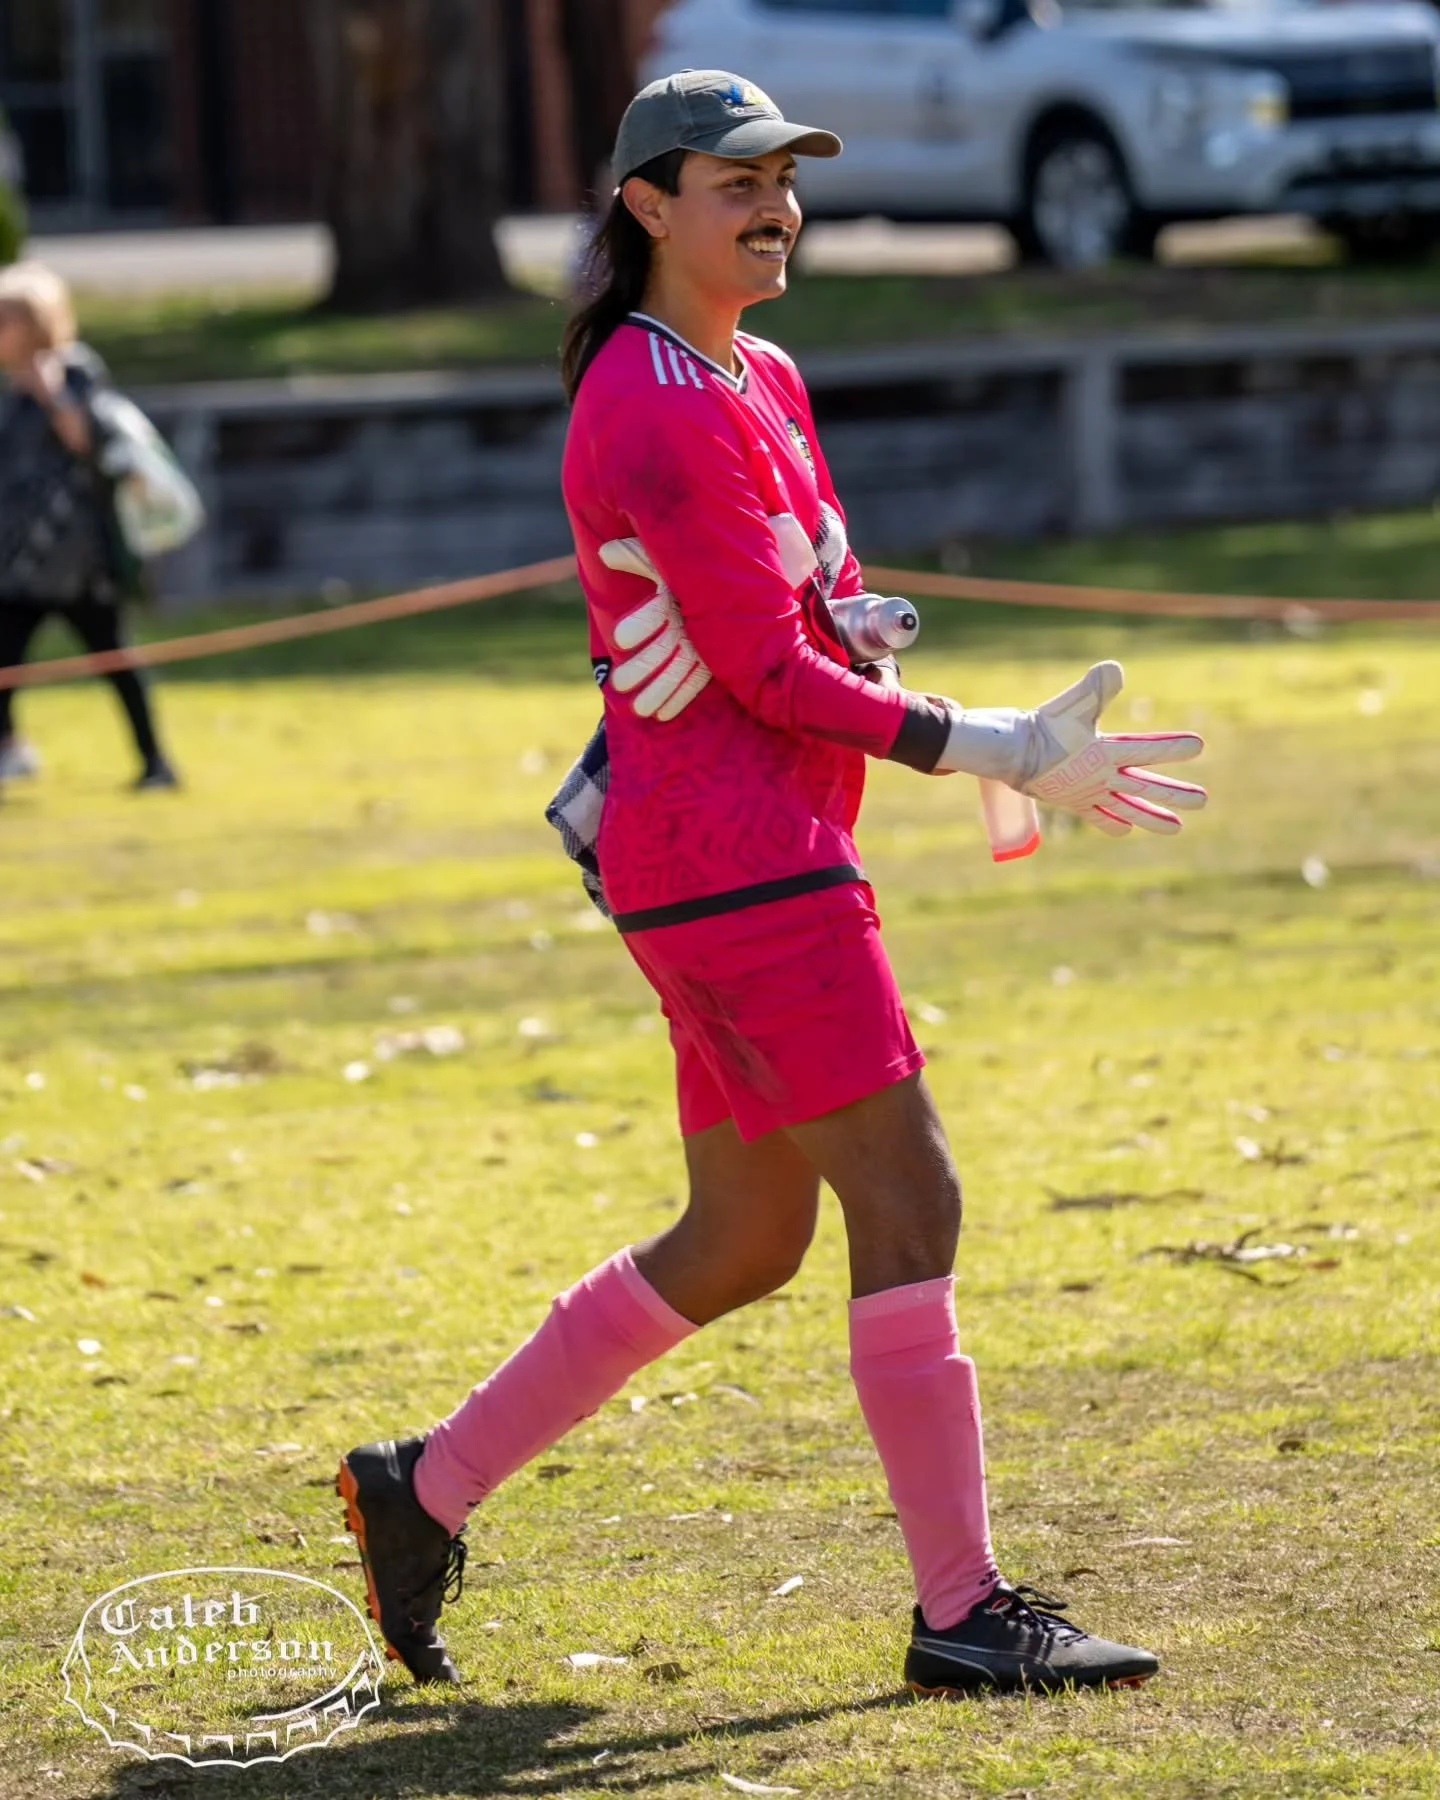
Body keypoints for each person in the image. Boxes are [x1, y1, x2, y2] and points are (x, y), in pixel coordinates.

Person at [337, 71, 1208, 1697]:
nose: (773, 204)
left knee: (743, 1238)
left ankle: (420, 1487)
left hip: (737, 860)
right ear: (646, 207)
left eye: (785, 178)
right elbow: (764, 673)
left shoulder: (765, 373)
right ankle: (964, 1612)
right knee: (912, 1197)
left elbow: (812, 620)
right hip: (741, 871)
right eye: (733, 180)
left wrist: (871, 647)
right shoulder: (654, 402)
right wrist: (997, 744)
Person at [0, 261, 179, 791]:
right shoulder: (8, 388)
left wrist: (53, 395)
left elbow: (93, 444)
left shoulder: (75, 372)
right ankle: (11, 750)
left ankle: (156, 762)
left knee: (115, 659)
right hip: (17, 557)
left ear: (30, 323)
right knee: (3, 662)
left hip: (77, 558)